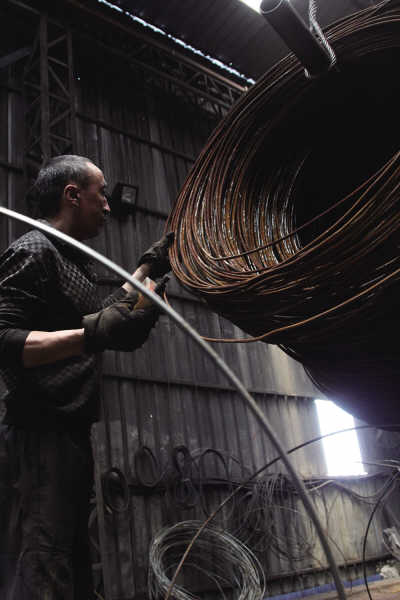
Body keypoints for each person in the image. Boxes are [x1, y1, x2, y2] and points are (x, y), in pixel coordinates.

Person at [0, 154, 174, 599]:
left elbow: (101, 316)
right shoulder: (34, 250)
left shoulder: (73, 262)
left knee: (76, 565)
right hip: (39, 435)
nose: (109, 206)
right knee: (44, 566)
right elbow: (4, 339)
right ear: (72, 195)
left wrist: (146, 272)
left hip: (71, 434)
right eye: (102, 194)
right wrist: (91, 334)